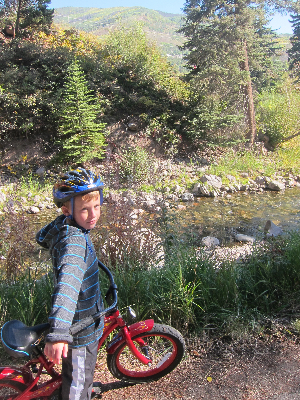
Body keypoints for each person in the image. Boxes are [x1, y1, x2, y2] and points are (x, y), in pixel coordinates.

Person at [36, 168, 105, 400]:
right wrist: (58, 333)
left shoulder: (67, 226)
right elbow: (68, 285)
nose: (93, 214)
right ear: (67, 210)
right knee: (78, 382)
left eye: (96, 206)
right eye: (84, 209)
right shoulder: (75, 243)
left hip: (82, 319)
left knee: (77, 373)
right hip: (79, 329)